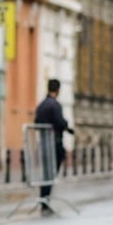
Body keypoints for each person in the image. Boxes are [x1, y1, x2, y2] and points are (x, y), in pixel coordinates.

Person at [34, 78, 73, 214]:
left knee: (46, 173)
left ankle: (44, 200)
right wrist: (66, 127)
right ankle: (45, 200)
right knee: (51, 172)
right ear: (58, 90)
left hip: (44, 144)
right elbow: (59, 122)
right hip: (54, 143)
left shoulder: (42, 105)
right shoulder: (55, 105)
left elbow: (36, 120)